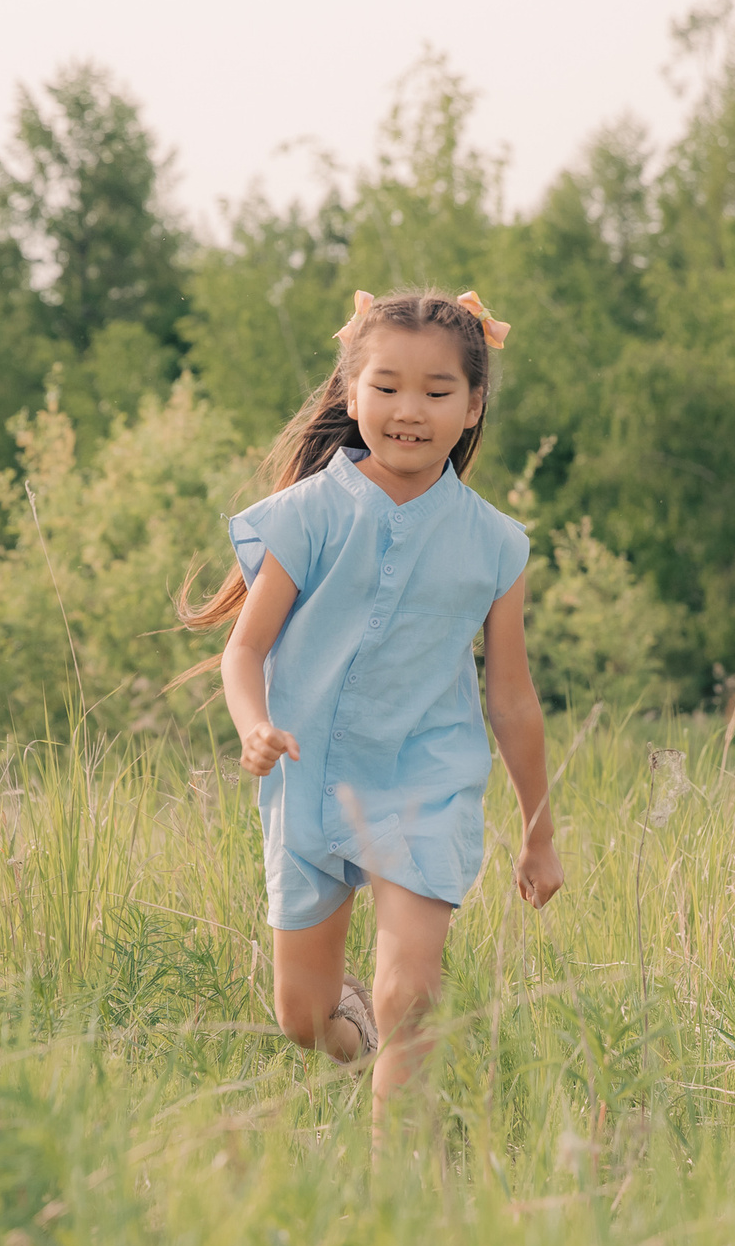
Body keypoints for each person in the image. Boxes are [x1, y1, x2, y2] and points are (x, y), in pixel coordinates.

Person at [178, 288, 564, 1118]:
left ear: (473, 406)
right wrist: (255, 726)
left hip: (426, 783)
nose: (409, 410)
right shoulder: (307, 516)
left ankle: (400, 1178)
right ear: (352, 395)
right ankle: (353, 1048)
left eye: (437, 391)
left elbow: (511, 699)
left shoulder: (496, 545)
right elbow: (244, 651)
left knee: (409, 994)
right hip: (309, 779)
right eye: (386, 387)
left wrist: (539, 833)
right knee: (304, 1019)